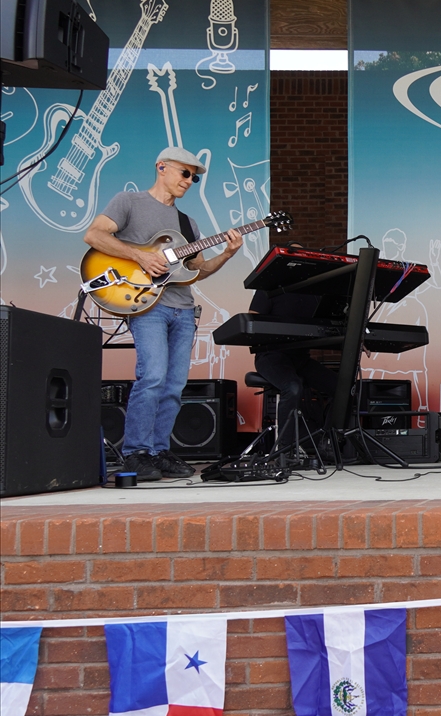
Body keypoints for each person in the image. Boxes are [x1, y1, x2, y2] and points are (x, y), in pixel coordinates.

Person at [84, 147, 244, 481]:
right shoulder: (129, 202)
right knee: (153, 376)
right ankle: (136, 453)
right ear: (161, 167)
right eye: (185, 173)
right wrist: (140, 256)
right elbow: (94, 235)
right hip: (147, 306)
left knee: (174, 385)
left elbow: (198, 271)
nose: (189, 181)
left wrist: (228, 254)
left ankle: (158, 451)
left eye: (194, 178)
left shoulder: (188, 223)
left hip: (183, 309)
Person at [248, 249, 341, 446]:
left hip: (300, 358)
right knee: (292, 386)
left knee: (342, 388)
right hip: (270, 356)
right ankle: (284, 450)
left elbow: (331, 323)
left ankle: (327, 442)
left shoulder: (314, 293)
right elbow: (252, 322)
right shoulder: (268, 287)